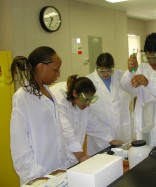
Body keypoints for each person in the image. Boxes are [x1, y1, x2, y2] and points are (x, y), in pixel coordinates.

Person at [10, 46, 68, 184]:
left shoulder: (48, 91)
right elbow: (18, 144)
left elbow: (57, 132)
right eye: (56, 70)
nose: (58, 74)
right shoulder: (22, 97)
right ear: (41, 67)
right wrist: (36, 174)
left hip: (57, 171)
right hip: (38, 177)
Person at [50, 75, 115, 165]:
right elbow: (66, 131)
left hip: (72, 155)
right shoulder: (59, 99)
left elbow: (93, 123)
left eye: (90, 100)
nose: (88, 104)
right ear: (75, 93)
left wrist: (110, 139)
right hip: (57, 154)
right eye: (85, 100)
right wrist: (81, 156)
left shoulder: (81, 100)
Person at [87, 53, 130, 155]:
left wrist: (132, 69)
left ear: (113, 67)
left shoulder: (121, 76)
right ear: (96, 67)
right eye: (102, 71)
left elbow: (131, 84)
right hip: (100, 135)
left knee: (122, 162)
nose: (105, 74)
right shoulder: (89, 81)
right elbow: (87, 114)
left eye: (109, 70)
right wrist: (106, 137)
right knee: (101, 162)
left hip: (121, 130)